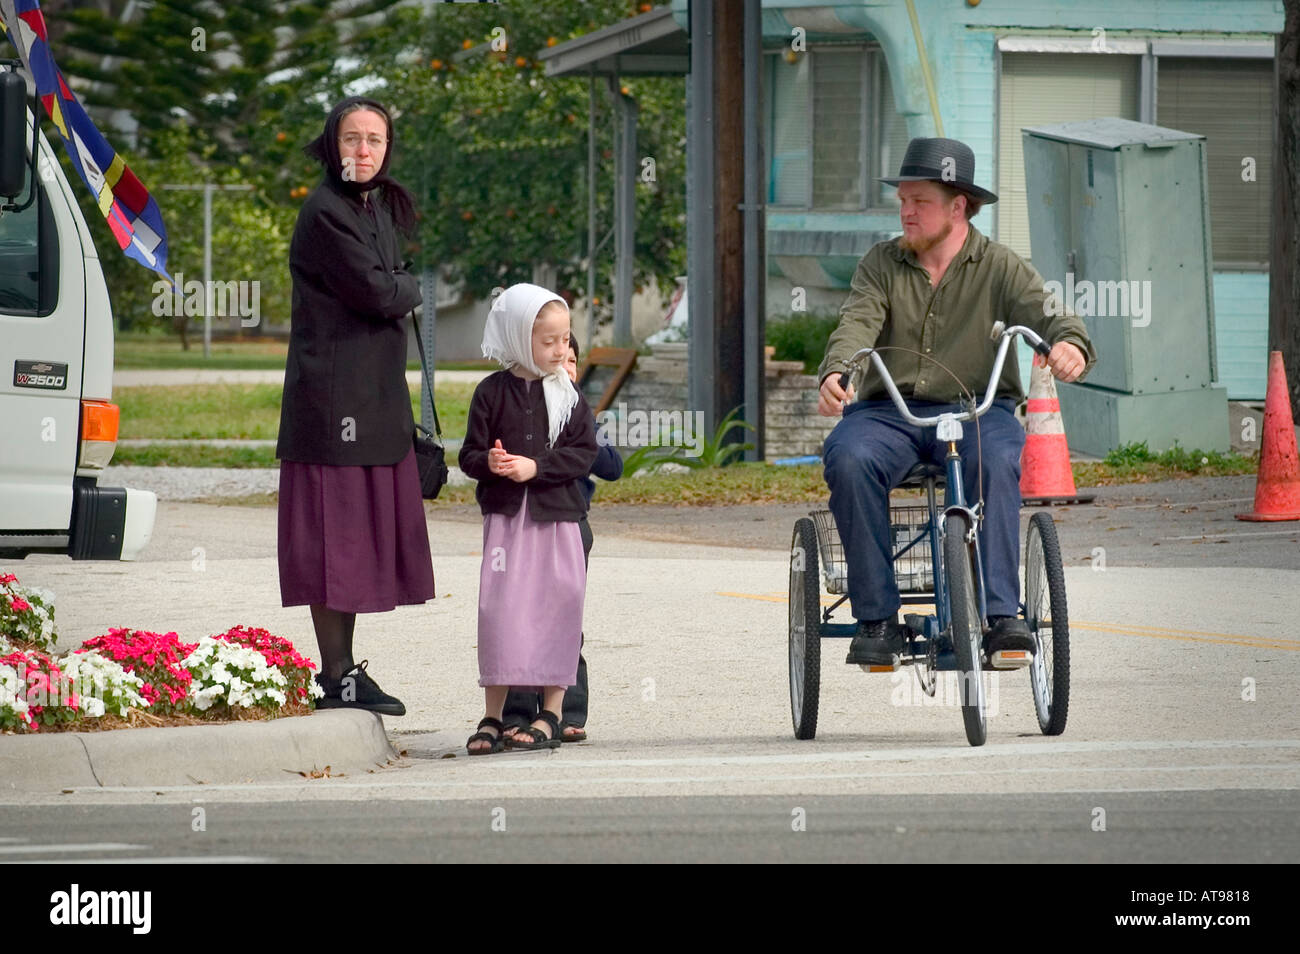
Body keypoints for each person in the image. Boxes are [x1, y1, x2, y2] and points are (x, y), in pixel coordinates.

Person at [816, 137, 1096, 668]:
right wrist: (838, 370)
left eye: (919, 201)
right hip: (888, 413)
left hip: (977, 411)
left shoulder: (1001, 267)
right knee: (848, 457)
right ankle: (877, 620)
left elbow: (1052, 314)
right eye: (902, 200)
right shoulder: (881, 263)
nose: (906, 211)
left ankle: (1000, 616)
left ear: (958, 206)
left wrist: (1068, 344)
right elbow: (856, 322)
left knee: (994, 460)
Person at [276, 96, 433, 716]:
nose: (363, 151)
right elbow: (377, 290)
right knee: (333, 546)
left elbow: (386, 283)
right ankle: (336, 678)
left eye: (374, 140)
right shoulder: (326, 211)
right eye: (351, 139)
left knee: (349, 546)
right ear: (331, 144)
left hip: (371, 404)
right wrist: (410, 286)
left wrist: (399, 285)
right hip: (333, 408)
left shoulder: (373, 207)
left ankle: (342, 676)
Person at [458, 284, 598, 754]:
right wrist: (491, 464)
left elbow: (583, 454)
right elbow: (469, 453)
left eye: (565, 340)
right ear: (520, 340)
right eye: (549, 342)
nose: (561, 350)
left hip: (558, 519)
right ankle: (493, 715)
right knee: (499, 612)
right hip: (506, 522)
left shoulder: (569, 396)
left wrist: (537, 467)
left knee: (557, 607)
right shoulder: (491, 393)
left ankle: (552, 713)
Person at [501, 336, 624, 744]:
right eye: (561, 360)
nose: (566, 367)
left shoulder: (580, 412)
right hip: (522, 524)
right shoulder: (519, 408)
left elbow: (612, 467)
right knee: (518, 617)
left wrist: (577, 423)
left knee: (562, 617)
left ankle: (568, 710)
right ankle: (517, 712)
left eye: (573, 361)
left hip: (571, 525)